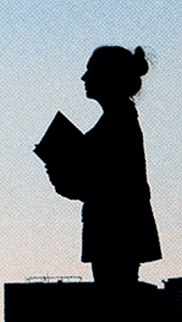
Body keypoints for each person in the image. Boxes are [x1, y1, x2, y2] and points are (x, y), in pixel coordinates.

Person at [45, 46, 161, 287]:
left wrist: (57, 167)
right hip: (115, 229)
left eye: (91, 72)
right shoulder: (119, 121)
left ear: (109, 77)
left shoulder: (116, 125)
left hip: (114, 230)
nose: (84, 78)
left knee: (114, 295)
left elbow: (96, 186)